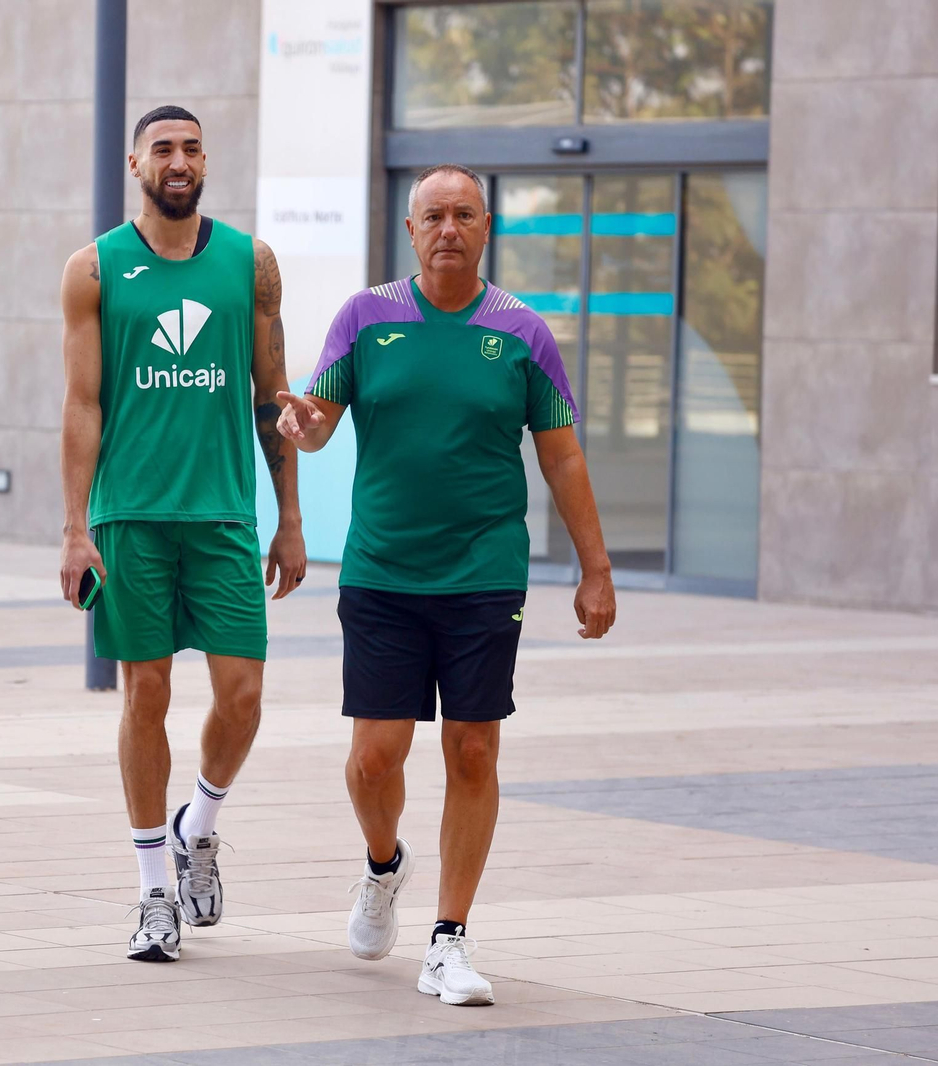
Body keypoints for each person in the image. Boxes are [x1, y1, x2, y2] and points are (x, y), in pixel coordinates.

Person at [276, 164, 615, 1003]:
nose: (449, 229)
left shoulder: (522, 332)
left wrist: (595, 568)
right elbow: (316, 422)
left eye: (465, 214)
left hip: (483, 574)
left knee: (472, 748)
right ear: (411, 228)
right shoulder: (367, 317)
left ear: (487, 227)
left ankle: (448, 939)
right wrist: (306, 423)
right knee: (373, 759)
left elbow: (562, 453)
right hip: (384, 572)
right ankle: (383, 865)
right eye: (434, 215)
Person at [58, 105, 305, 962]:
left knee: (243, 698)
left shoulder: (251, 264)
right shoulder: (95, 268)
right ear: (136, 164)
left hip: (225, 516)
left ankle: (198, 821)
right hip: (131, 517)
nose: (179, 160)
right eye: (163, 148)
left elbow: (271, 401)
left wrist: (291, 521)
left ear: (206, 163)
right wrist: (74, 528)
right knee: (146, 697)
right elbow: (82, 405)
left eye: (192, 148)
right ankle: (153, 893)